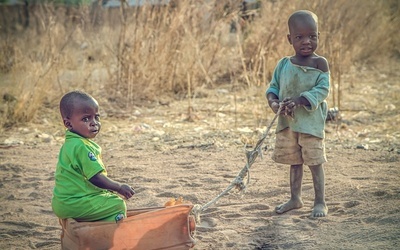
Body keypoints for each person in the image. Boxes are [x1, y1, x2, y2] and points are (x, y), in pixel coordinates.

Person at [266, 10, 329, 217]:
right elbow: (273, 88)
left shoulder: (320, 64)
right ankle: (295, 198)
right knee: (295, 162)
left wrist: (300, 100)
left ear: (319, 36)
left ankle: (320, 202)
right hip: (289, 124)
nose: (306, 42)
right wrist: (275, 104)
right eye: (299, 37)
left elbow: (323, 90)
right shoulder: (283, 64)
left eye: (312, 36)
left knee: (314, 162)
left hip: (310, 125)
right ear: (289, 39)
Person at [52, 90, 135, 222]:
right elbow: (95, 178)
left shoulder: (71, 143)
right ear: (68, 124)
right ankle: (106, 236)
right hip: (75, 203)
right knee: (117, 204)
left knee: (106, 197)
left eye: (96, 117)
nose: (94, 123)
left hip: (64, 202)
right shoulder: (82, 146)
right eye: (86, 119)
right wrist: (119, 187)